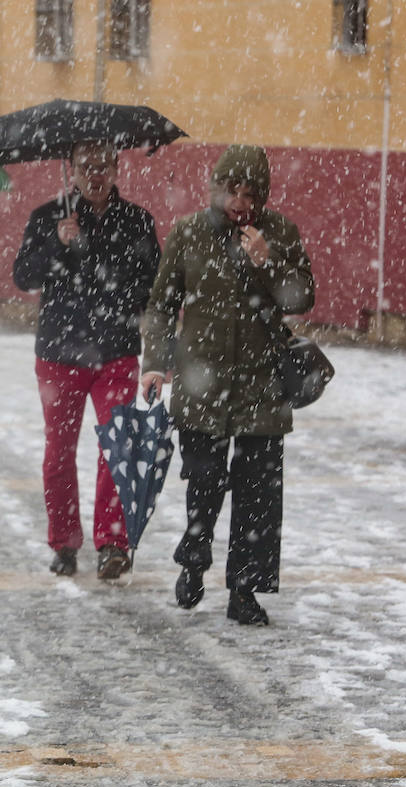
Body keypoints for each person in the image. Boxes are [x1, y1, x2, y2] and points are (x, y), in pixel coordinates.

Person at [140, 145, 315, 626]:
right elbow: (160, 305)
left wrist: (269, 261)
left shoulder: (279, 232)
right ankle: (194, 560)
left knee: (258, 494)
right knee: (205, 482)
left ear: (264, 195)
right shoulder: (190, 233)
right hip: (201, 384)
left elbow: (303, 296)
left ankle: (244, 590)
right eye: (231, 190)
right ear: (214, 187)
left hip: (261, 388)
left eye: (250, 193)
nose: (239, 201)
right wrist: (155, 362)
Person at [12, 140, 160, 580]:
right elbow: (24, 276)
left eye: (103, 165)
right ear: (71, 170)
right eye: (85, 166)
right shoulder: (48, 217)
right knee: (59, 452)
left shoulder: (136, 221)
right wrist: (59, 245)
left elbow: (153, 283)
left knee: (117, 447)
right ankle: (64, 542)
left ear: (116, 168)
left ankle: (112, 543)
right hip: (60, 354)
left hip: (116, 350)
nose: (95, 174)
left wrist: (114, 293)